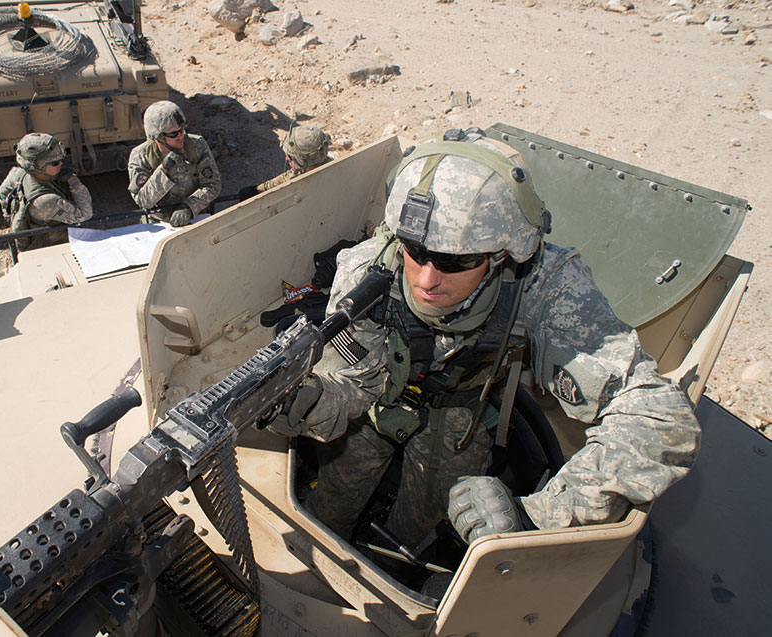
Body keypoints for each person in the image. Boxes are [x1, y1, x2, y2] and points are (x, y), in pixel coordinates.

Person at [270, 128, 700, 550]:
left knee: (425, 525)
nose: (426, 280)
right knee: (331, 501)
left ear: (501, 256)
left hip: (462, 415)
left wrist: (540, 514)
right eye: (415, 252)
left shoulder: (543, 285)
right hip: (378, 404)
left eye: (457, 261)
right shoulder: (367, 270)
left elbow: (660, 419)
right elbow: (356, 384)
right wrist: (310, 401)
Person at [127, 100, 221, 227]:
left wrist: (189, 206)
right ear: (158, 137)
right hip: (159, 225)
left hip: (195, 218)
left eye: (182, 129)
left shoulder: (196, 145)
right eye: (173, 134)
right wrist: (164, 169)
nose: (180, 135)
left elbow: (213, 185)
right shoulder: (140, 156)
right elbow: (144, 200)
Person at [0, 133, 93, 251]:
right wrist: (73, 180)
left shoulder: (18, 173)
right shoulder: (47, 201)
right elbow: (85, 214)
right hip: (51, 247)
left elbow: (2, 194)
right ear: (38, 167)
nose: (61, 164)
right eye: (54, 163)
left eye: (60, 160)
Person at [239, 125, 332, 198]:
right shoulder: (326, 164)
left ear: (304, 160)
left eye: (291, 157)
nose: (287, 158)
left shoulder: (321, 185)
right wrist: (258, 190)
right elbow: (288, 178)